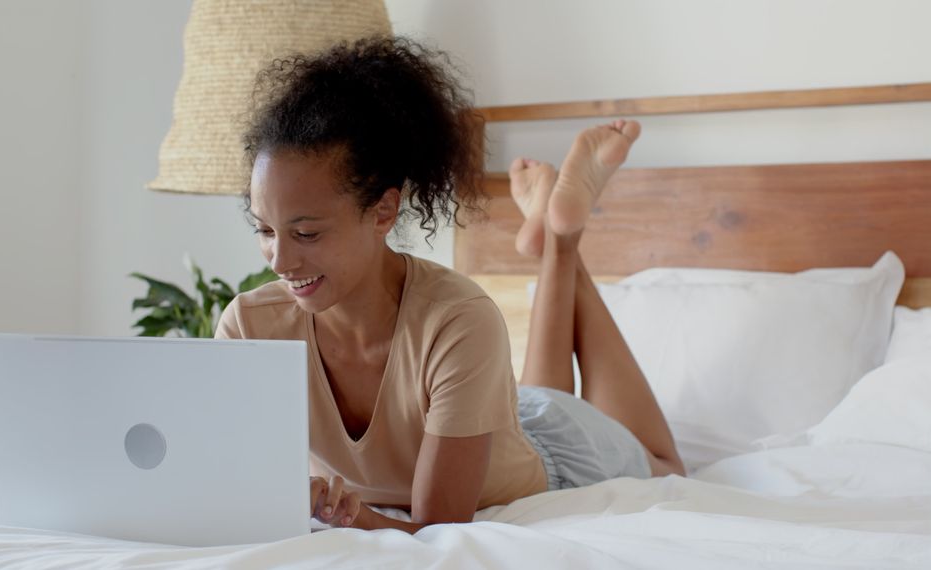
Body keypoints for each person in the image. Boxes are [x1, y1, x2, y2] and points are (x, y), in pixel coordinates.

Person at [215, 36, 684, 534]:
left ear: (383, 211)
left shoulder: (458, 318)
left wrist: (349, 515)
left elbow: (440, 528)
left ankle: (563, 239)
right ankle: (556, 233)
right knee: (533, 395)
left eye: (307, 233)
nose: (280, 261)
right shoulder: (248, 326)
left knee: (667, 464)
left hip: (553, 454)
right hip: (493, 419)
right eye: (264, 230)